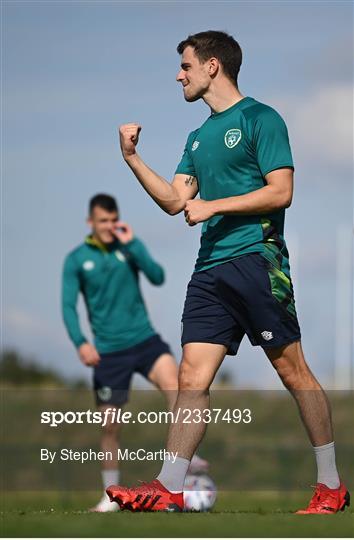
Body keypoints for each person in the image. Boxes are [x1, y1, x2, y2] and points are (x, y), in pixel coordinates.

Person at [106, 31, 350, 514]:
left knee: (291, 368)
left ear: (212, 66)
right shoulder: (196, 138)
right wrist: (132, 159)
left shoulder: (261, 119)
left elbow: (281, 192)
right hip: (209, 270)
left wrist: (213, 204)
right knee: (191, 374)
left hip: (257, 259)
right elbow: (177, 201)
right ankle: (169, 485)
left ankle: (331, 487)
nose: (179, 75)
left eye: (186, 66)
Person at [62, 193, 208, 512]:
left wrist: (134, 246)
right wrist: (80, 342)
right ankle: (109, 495)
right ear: (91, 222)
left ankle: (185, 456)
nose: (110, 226)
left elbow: (158, 277)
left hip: (145, 341)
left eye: (114, 220)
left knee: (178, 385)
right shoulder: (76, 260)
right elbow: (67, 305)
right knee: (110, 425)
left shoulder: (129, 249)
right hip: (108, 352)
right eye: (103, 221)